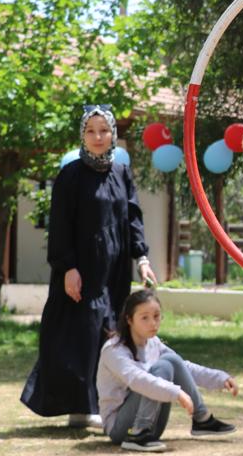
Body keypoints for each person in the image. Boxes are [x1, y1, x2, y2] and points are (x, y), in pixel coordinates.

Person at [21, 105, 158, 428]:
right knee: (80, 335)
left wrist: (142, 258)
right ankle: (80, 406)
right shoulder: (70, 175)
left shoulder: (122, 174)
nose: (98, 137)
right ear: (83, 135)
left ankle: (97, 404)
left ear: (113, 135)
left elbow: (133, 217)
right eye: (91, 131)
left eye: (104, 131)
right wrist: (67, 266)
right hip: (79, 272)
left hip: (113, 272)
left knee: (109, 334)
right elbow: (60, 225)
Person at [97, 290, 238, 452]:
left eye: (157, 316)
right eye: (145, 318)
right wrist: (175, 393)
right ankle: (138, 434)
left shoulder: (153, 342)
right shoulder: (113, 350)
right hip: (120, 429)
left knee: (171, 361)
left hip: (154, 426)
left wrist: (220, 378)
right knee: (162, 367)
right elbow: (138, 380)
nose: (153, 323)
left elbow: (182, 367)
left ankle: (202, 419)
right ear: (129, 319)